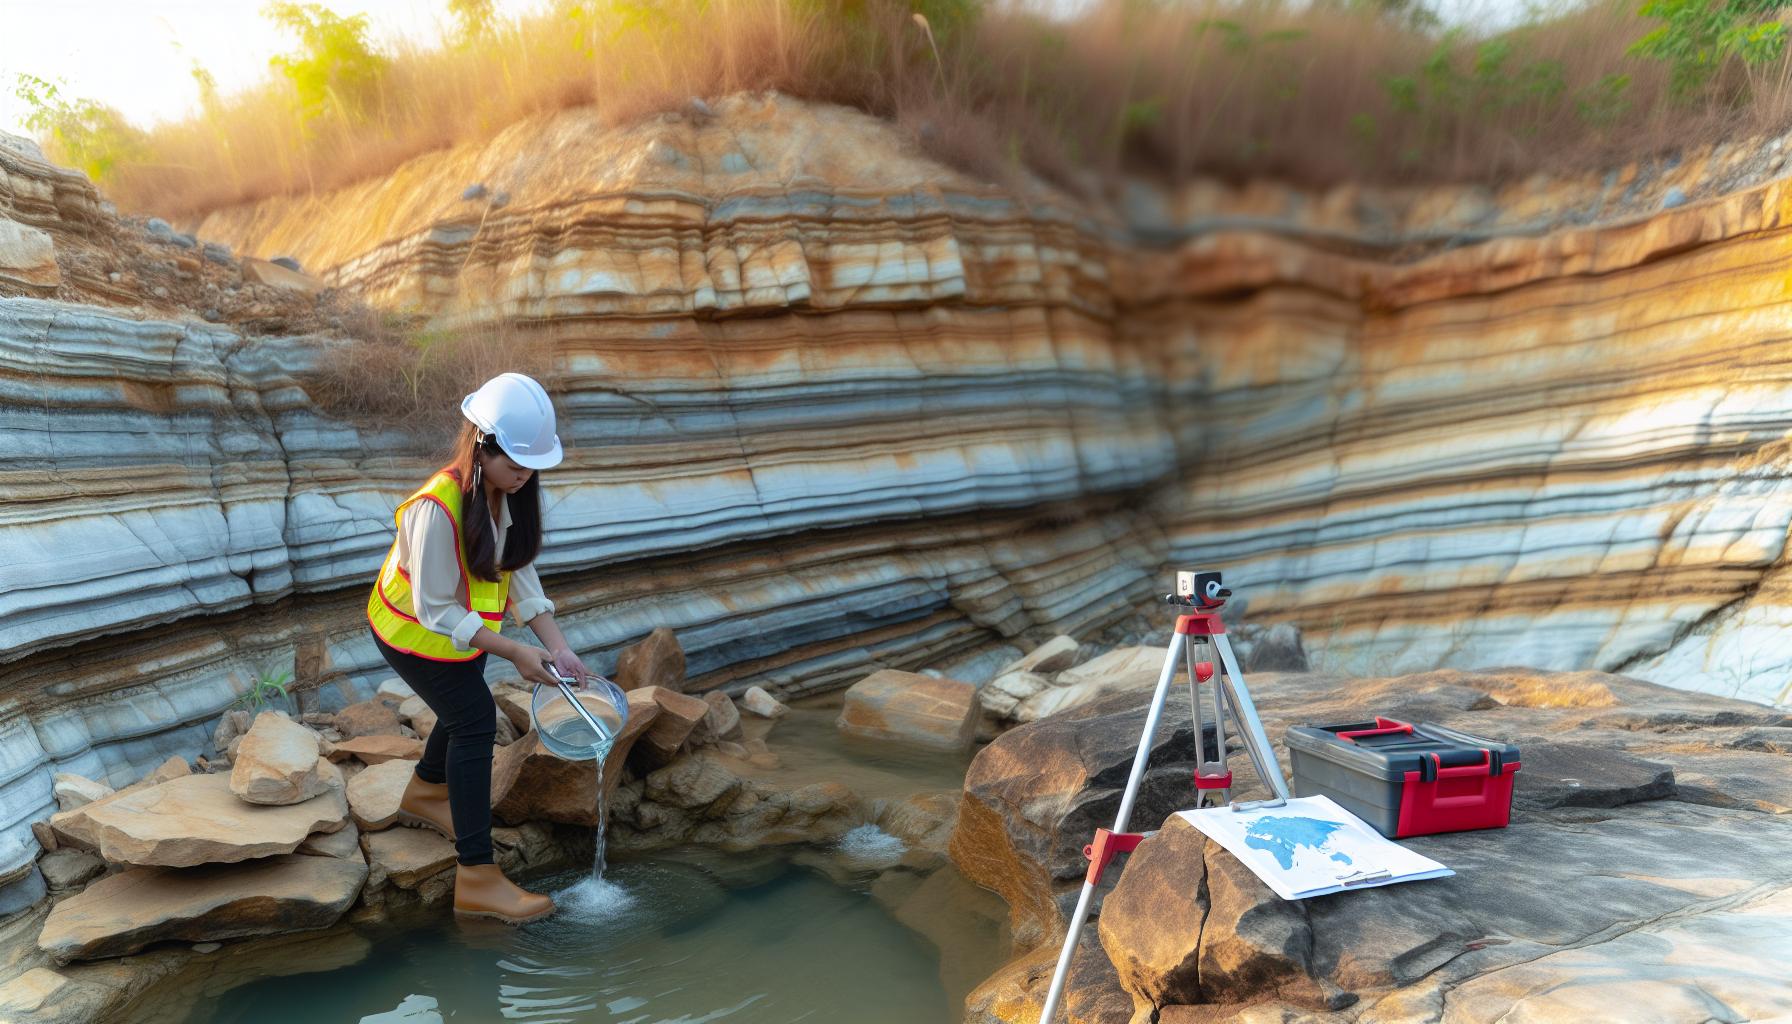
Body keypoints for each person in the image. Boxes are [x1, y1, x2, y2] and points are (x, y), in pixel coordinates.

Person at [364, 371, 595, 924]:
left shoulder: (503, 495)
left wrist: (559, 648)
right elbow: (435, 609)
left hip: (459, 636)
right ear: (481, 445)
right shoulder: (436, 506)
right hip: (410, 633)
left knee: (462, 709)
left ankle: (426, 793)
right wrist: (515, 652)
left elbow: (520, 578)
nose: (524, 476)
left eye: (532, 467)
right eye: (515, 464)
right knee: (473, 721)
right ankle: (477, 877)